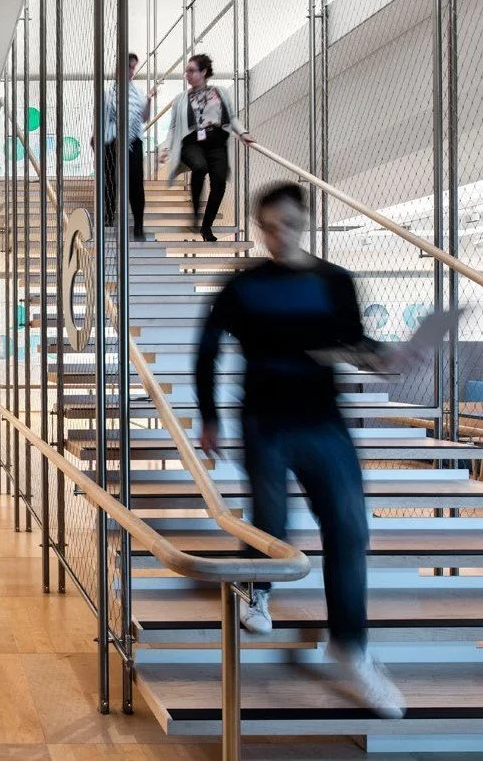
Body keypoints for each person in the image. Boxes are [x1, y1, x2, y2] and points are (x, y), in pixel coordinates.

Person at [194, 181, 405, 718]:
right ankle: (257, 590)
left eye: (286, 224)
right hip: (265, 420)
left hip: (323, 421)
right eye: (267, 226)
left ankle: (351, 645)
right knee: (271, 521)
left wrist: (381, 358)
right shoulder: (244, 286)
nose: (276, 235)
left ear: (303, 222)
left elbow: (355, 342)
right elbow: (207, 346)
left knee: (349, 526)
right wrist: (211, 417)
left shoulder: (335, 282)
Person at [160, 53, 254, 242]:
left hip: (217, 141)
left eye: (192, 71)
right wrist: (165, 148)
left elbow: (232, 117)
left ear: (204, 72)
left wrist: (243, 133)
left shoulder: (220, 93)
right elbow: (173, 128)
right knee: (200, 166)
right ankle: (195, 211)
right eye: (186, 71)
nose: (188, 75)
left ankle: (206, 227)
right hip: (192, 142)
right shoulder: (180, 99)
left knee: (219, 183)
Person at [99, 52, 157, 241]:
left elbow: (144, 117)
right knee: (110, 181)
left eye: (133, 67)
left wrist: (149, 99)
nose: (131, 71)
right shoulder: (108, 94)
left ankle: (139, 225)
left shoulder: (138, 93)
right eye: (128, 67)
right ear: (118, 68)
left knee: (135, 184)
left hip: (133, 142)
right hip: (112, 142)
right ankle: (108, 219)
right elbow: (103, 121)